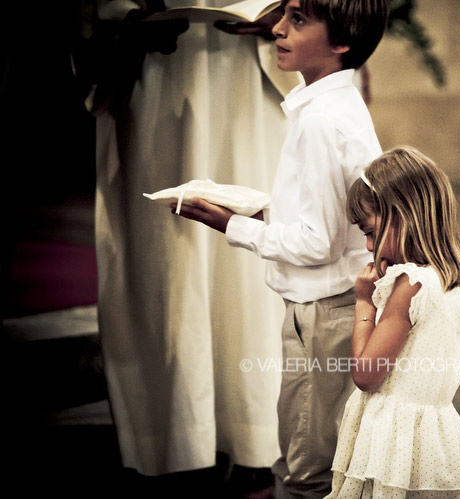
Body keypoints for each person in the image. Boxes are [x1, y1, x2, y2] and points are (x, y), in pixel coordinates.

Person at [175, 1, 390, 496]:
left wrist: (230, 225)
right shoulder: (336, 103)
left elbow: (317, 243)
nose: (276, 29)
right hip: (337, 305)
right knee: (326, 454)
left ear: (341, 43)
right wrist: (255, 210)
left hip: (322, 313)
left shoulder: (320, 121)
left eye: (298, 20)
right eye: (283, 15)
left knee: (308, 469)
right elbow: (334, 215)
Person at [90, 0, 302, 495]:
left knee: (253, 270)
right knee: (166, 261)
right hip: (155, 71)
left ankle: (254, 446)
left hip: (254, 71)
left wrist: (294, 15)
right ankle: (176, 445)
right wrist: (119, 25)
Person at [323, 146, 460, 498]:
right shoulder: (456, 279)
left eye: (371, 232)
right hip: (433, 435)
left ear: (405, 216)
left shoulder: (410, 283)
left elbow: (366, 375)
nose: (367, 245)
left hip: (392, 438)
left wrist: (363, 301)